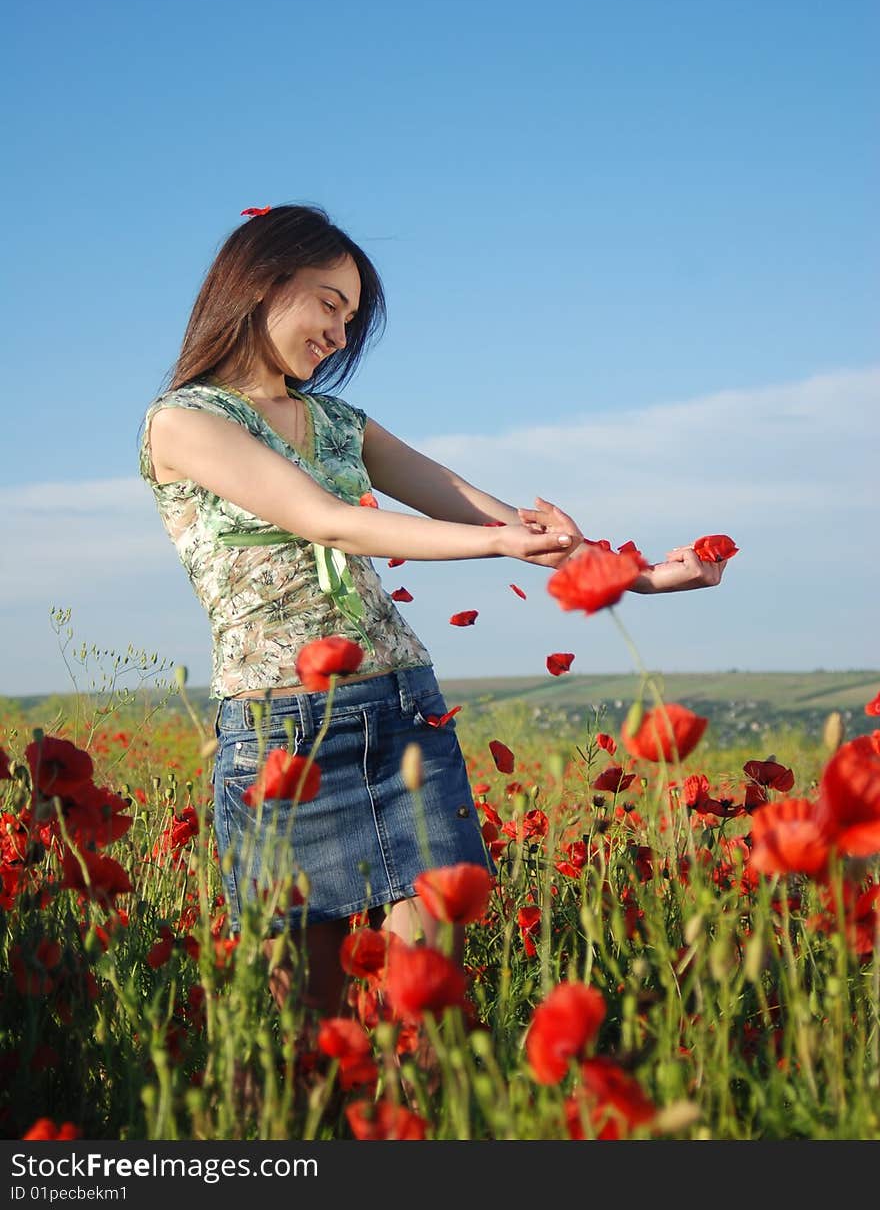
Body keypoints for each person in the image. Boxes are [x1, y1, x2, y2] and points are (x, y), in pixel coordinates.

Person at [139, 203, 726, 1016]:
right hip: (285, 739)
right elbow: (325, 518)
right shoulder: (183, 419)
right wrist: (497, 546)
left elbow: (495, 518)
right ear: (261, 282)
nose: (340, 336)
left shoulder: (342, 422)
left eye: (350, 316)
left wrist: (642, 578)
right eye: (329, 304)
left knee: (422, 1007)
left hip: (401, 711)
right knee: (309, 1032)